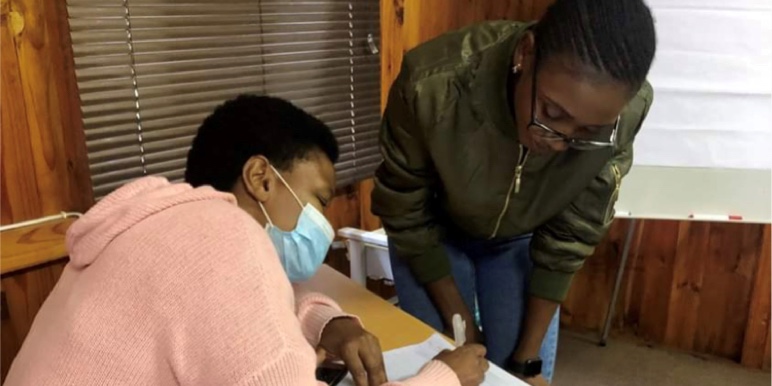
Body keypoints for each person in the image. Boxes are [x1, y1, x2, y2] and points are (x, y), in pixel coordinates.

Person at [6, 95, 489, 386]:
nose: (324, 220)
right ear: (261, 177)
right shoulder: (227, 236)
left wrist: (326, 322)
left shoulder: (169, 224)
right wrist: (444, 374)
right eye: (320, 200)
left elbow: (240, 311)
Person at [371, 0, 656, 385]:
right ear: (525, 54)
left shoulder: (623, 114)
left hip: (521, 240)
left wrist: (528, 362)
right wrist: (462, 325)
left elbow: (572, 234)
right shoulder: (432, 83)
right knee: (441, 366)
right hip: (432, 234)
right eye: (552, 114)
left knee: (514, 374)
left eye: (587, 133)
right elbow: (404, 207)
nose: (560, 143)